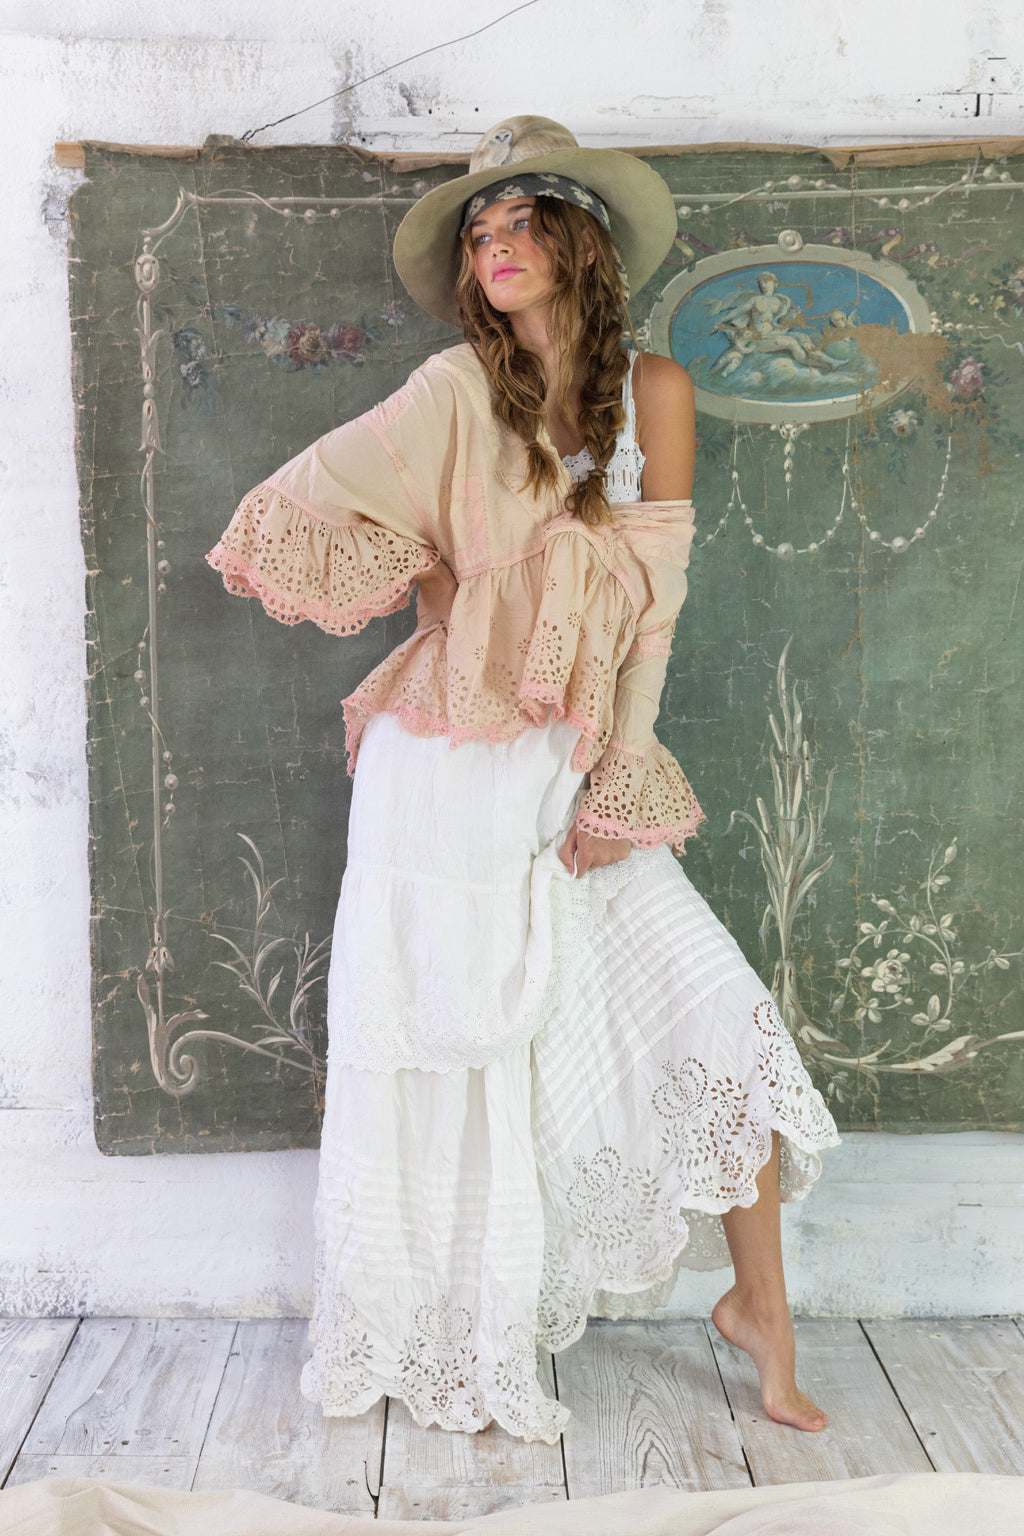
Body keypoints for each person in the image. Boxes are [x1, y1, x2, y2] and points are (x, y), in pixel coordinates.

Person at [207, 115, 840, 1444]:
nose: (495, 246)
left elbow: (655, 605)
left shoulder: (653, 391)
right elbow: (300, 502)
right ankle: (448, 1332)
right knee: (455, 1055)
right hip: (444, 774)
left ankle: (760, 1311)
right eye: (479, 233)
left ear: (579, 241)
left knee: (720, 1021)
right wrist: (446, 582)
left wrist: (622, 773)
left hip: (572, 767)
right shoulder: (452, 390)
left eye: (521, 221)